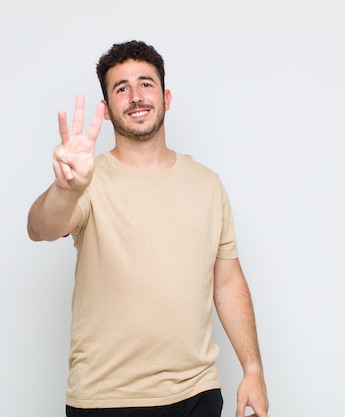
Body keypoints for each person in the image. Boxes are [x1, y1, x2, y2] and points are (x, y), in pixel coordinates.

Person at [27, 40, 269, 417]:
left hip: (197, 393)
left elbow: (228, 282)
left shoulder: (208, 184)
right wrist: (65, 188)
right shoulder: (88, 181)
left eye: (146, 83)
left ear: (166, 97)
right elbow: (41, 227)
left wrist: (252, 369)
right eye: (121, 88)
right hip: (106, 398)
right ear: (106, 110)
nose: (136, 96)